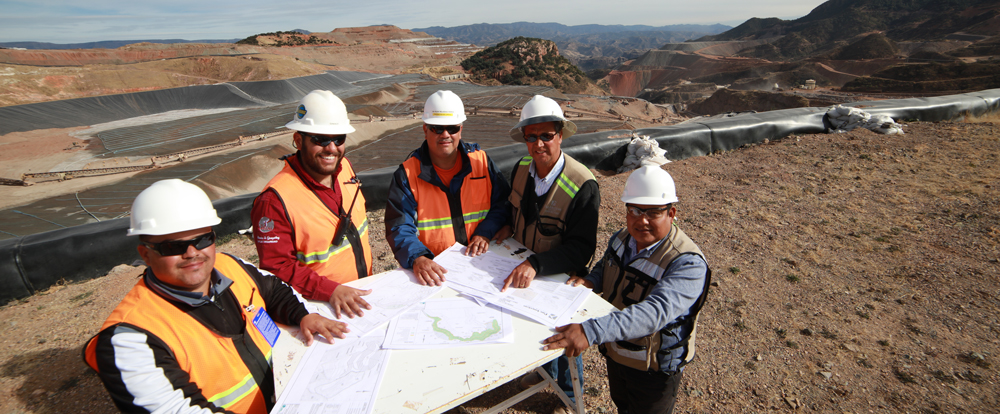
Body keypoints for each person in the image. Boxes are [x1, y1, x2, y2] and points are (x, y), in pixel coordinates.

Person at [84, 179, 348, 414]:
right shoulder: (131, 339)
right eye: (173, 246)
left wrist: (303, 315)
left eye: (201, 240)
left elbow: (274, 290)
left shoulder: (230, 265)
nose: (191, 253)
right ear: (145, 254)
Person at [542, 165, 712, 414]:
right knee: (622, 404)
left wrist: (591, 331)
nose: (641, 220)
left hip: (653, 368)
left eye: (653, 212)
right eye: (634, 210)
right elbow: (605, 266)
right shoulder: (622, 238)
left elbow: (655, 313)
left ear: (671, 212)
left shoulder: (687, 263)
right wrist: (591, 281)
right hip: (618, 351)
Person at [492, 95, 600, 404]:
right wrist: (505, 227)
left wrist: (538, 265)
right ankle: (541, 370)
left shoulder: (583, 184)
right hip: (526, 266)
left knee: (561, 332)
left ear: (560, 135)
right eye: (531, 137)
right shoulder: (522, 168)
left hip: (558, 276)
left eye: (546, 136)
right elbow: (514, 210)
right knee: (530, 327)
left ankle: (567, 392)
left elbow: (581, 249)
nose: (538, 144)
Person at [251, 90, 373, 319]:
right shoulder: (274, 200)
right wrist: (330, 291)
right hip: (321, 308)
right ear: (298, 140)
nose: (331, 148)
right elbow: (278, 268)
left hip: (360, 297)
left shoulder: (344, 166)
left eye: (339, 139)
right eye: (320, 139)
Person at [385, 90, 511, 286]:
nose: (445, 135)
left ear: (460, 129)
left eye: (451, 128)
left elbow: (503, 203)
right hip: (436, 271)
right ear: (425, 130)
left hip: (482, 265)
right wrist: (418, 257)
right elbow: (399, 226)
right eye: (437, 128)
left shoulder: (482, 163)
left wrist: (485, 231)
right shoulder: (408, 174)